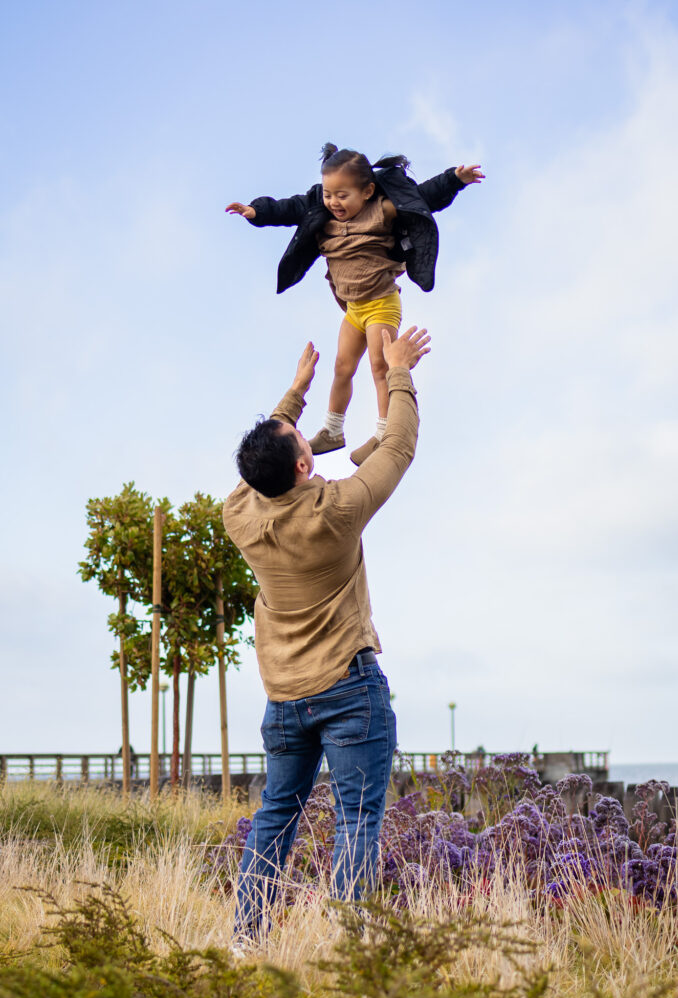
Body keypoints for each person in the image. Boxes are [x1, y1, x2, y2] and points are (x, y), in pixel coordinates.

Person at [222, 324, 431, 939]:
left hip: (285, 698)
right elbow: (397, 448)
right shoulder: (334, 512)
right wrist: (397, 371)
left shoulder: (239, 514)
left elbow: (265, 467)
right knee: (357, 819)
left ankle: (245, 938)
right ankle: (345, 949)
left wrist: (295, 395)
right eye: (301, 441)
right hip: (347, 686)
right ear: (305, 463)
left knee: (275, 815)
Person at [226, 144, 482, 465]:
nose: (334, 202)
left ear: (367, 191)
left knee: (379, 367)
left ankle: (384, 433)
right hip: (353, 310)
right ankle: (333, 430)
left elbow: (423, 197)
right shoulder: (321, 209)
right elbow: (288, 208)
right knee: (342, 367)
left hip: (381, 304)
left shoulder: (383, 210)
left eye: (343, 195)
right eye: (329, 194)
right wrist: (257, 211)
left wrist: (454, 179)